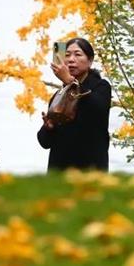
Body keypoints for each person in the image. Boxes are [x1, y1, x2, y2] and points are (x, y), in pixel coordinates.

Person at [38, 38, 111, 171]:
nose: (71, 59)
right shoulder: (58, 94)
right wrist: (49, 128)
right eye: (67, 55)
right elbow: (44, 142)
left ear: (90, 61)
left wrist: (71, 82)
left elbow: (97, 109)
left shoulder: (101, 86)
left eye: (77, 54)